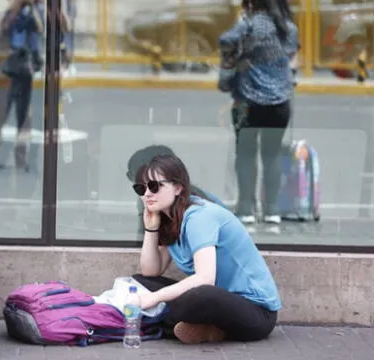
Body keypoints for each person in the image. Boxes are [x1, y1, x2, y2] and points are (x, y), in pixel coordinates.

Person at [130, 154, 281, 344]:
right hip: (219, 305)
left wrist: (153, 299)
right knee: (140, 282)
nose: (147, 194)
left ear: (178, 187)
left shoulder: (199, 217)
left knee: (200, 295)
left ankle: (165, 321)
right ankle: (206, 330)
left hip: (256, 314)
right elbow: (151, 271)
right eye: (141, 188)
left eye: (154, 186)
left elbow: (205, 278)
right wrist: (151, 228)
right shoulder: (171, 219)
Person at [218, 0, 298, 225]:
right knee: (271, 155)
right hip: (280, 104)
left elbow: (225, 40)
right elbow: (290, 56)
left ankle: (246, 209)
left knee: (245, 155)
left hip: (248, 102)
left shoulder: (247, 26)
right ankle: (272, 210)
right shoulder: (289, 29)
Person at [0, 0, 44, 172]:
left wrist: (29, 8)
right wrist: (12, 10)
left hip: (24, 73)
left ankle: (21, 160)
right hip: (6, 73)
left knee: (23, 120)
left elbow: (40, 27)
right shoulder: (8, 15)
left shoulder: (34, 13)